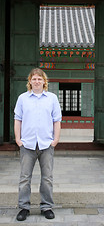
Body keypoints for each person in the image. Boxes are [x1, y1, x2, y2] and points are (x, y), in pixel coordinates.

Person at [14, 68, 62, 221]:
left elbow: (57, 120)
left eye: (39, 79)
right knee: (24, 178)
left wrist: (55, 140)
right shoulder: (22, 98)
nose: (36, 81)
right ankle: (23, 208)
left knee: (47, 178)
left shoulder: (52, 98)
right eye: (34, 79)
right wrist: (17, 139)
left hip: (46, 144)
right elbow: (18, 119)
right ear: (30, 81)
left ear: (44, 81)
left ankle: (46, 207)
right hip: (27, 144)